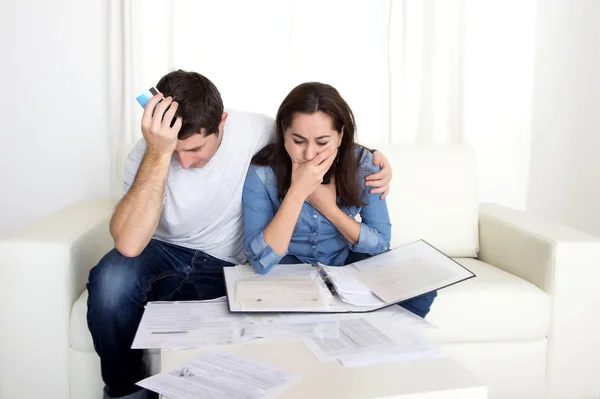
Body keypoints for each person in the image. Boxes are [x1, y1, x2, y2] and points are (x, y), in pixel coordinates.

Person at [86, 70, 395, 399]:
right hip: (161, 255)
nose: (186, 163)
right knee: (110, 283)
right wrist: (158, 153)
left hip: (226, 265)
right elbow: (130, 244)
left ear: (222, 121)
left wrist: (374, 160)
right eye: (177, 152)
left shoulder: (257, 131)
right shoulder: (147, 153)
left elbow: (316, 140)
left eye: (196, 149)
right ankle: (127, 393)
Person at [243, 82, 437, 319]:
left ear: (340, 135)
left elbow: (380, 244)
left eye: (322, 142)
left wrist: (328, 208)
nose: (309, 154)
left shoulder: (364, 165)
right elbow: (260, 260)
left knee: (420, 291)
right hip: (289, 265)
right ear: (283, 131)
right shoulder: (263, 171)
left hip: (345, 262)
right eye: (298, 140)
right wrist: (298, 192)